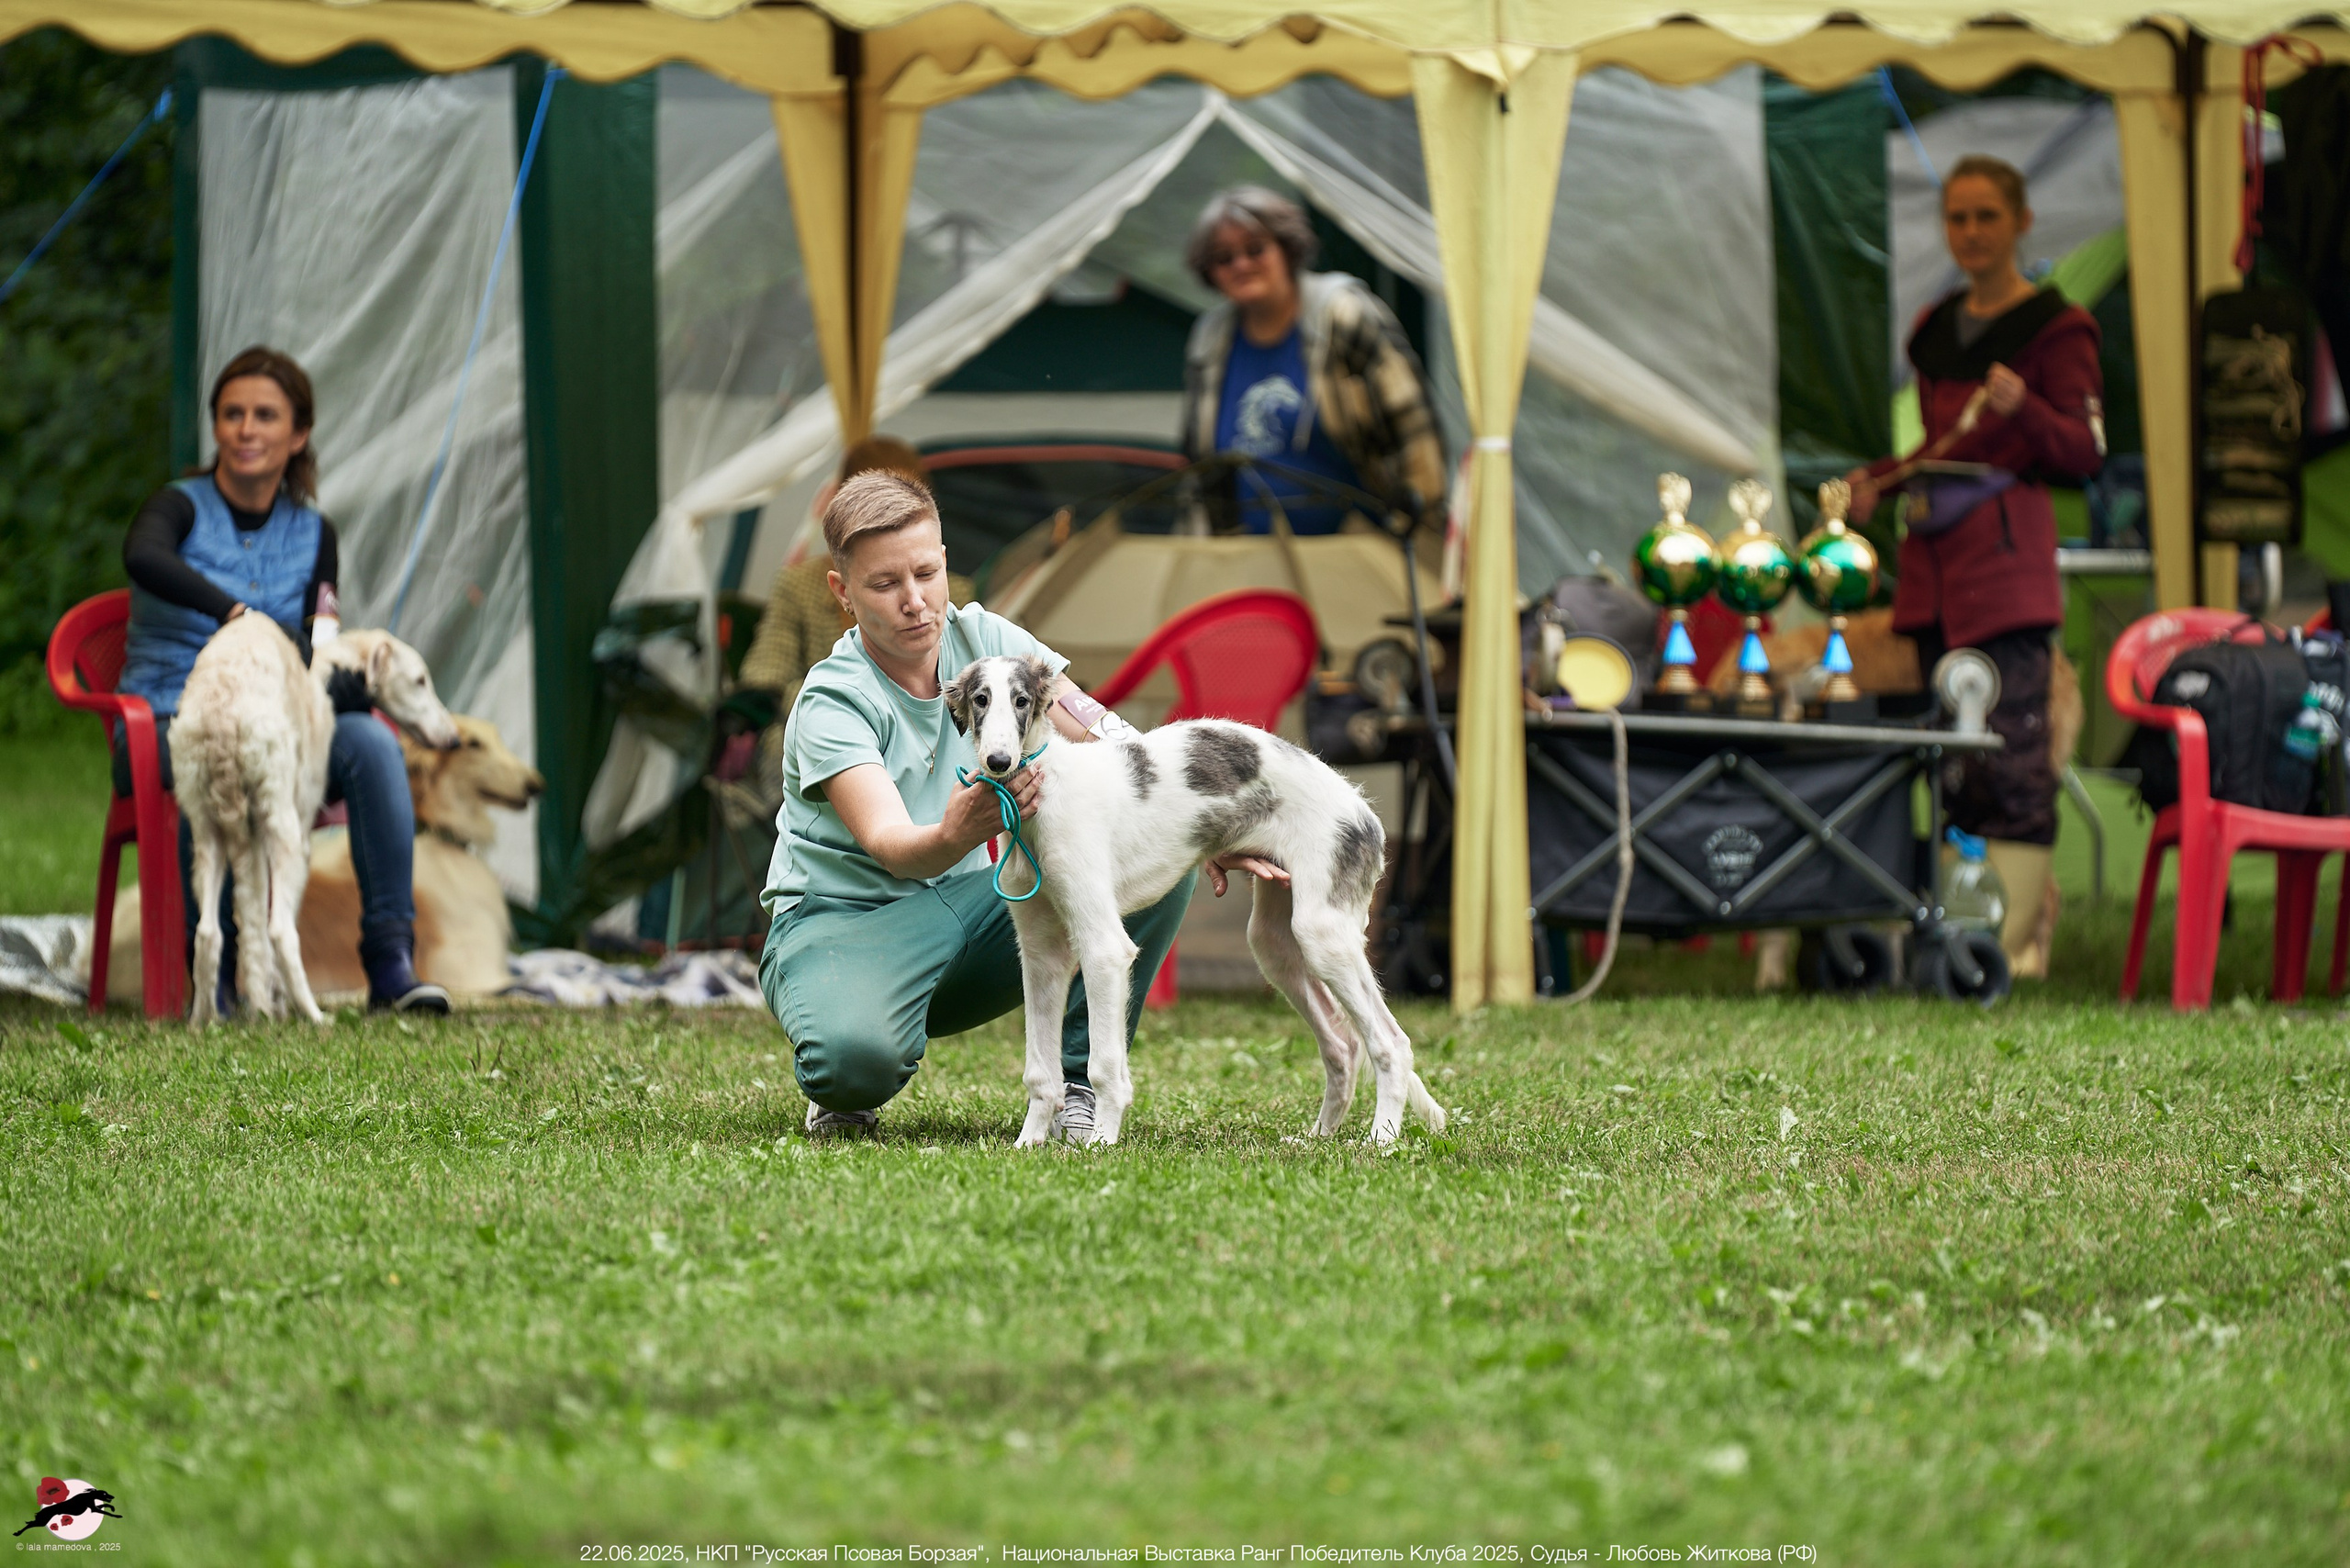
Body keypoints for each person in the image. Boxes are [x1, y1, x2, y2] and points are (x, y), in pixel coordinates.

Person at [760, 470, 1281, 1139]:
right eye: (886, 585)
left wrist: (1207, 823)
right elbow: (893, 846)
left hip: (971, 911)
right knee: (852, 1063)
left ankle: (1075, 1087)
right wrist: (957, 830)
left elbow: (1105, 731)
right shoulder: (834, 698)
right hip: (849, 924)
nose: (916, 602)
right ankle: (848, 1066)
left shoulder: (987, 639)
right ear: (843, 591)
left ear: (946, 562)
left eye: (925, 573)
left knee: (1155, 854)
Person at [117, 345, 449, 1014]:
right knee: (214, 750)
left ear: (297, 435)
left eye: (265, 415)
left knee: (372, 742)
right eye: (232, 414)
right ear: (216, 427)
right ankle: (219, 974)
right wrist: (234, 614)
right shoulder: (178, 507)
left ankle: (390, 963)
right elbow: (142, 555)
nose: (246, 429)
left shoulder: (313, 531)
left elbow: (317, 643)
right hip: (162, 720)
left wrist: (342, 683)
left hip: (277, 728)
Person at [1847, 155, 2104, 979]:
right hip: (1932, 580)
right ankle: (1946, 927)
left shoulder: (2058, 329)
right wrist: (1878, 484)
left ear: (2022, 222)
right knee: (1944, 763)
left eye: (1987, 216)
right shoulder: (1937, 327)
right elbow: (1939, 448)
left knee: (2012, 757)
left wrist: (2025, 407)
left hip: (2006, 580)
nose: (1970, 233)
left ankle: (2014, 942)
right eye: (1957, 217)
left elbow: (2085, 453)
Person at [1180, 187, 1445, 535]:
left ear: (1287, 249)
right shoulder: (1209, 339)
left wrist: (1413, 535)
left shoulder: (1344, 317)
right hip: (1247, 555)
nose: (1241, 265)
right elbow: (1198, 467)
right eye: (1224, 258)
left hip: (1360, 551)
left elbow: (1416, 435)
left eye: (1255, 249)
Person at [735, 436, 969, 793]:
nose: (914, 600)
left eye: (926, 574)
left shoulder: (957, 595)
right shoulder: (800, 586)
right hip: (821, 740)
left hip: (932, 744)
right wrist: (832, 700)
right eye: (874, 506)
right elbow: (764, 676)